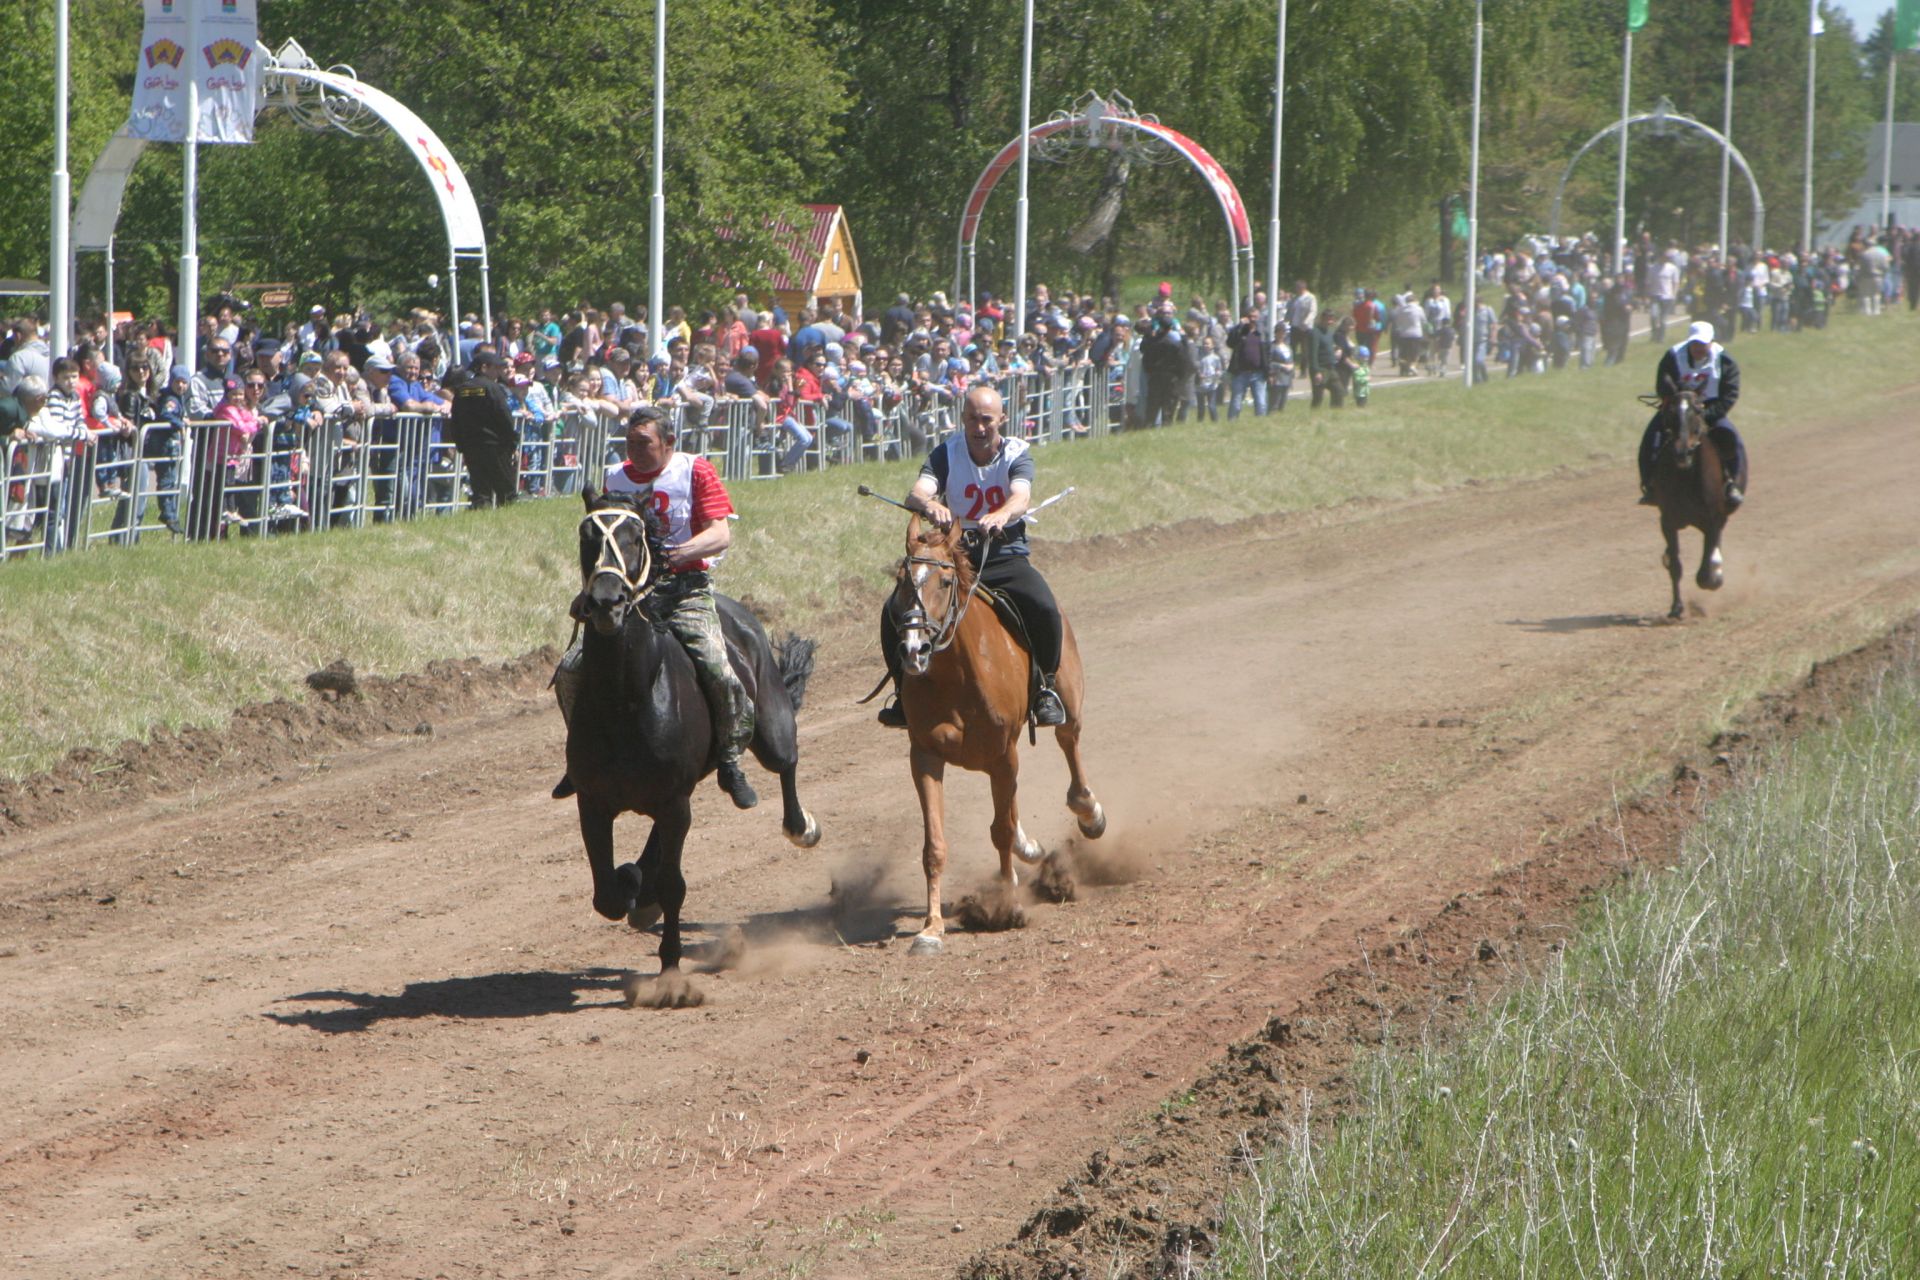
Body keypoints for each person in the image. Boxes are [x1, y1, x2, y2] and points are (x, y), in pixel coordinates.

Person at [553, 405, 759, 809]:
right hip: (628, 595)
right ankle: (580, 761)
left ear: (668, 442)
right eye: (630, 442)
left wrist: (676, 553)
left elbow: (720, 535)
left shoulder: (696, 470)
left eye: (643, 443)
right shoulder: (617, 478)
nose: (635, 450)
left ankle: (730, 759)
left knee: (719, 669)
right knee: (570, 670)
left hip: (684, 588)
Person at [876, 384, 1067, 729]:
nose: (979, 428)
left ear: (1002, 419)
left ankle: (1045, 688)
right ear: (962, 419)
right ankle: (903, 692)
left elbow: (1021, 497)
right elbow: (917, 492)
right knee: (894, 609)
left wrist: (1002, 515)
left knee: (1044, 606)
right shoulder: (946, 453)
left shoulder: (1017, 454)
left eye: (986, 420)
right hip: (953, 557)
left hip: (1003, 556)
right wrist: (930, 503)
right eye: (971, 420)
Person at [1638, 321, 1744, 509]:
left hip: (1711, 409)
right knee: (1650, 439)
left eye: (1703, 344)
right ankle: (1650, 485)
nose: (1698, 348)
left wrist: (1707, 415)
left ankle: (1732, 485)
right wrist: (1675, 404)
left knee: (1731, 438)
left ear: (1711, 342)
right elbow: (1663, 384)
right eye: (1695, 344)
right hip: (1679, 408)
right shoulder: (1672, 356)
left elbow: (1730, 394)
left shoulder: (1725, 362)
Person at [448, 349, 518, 506]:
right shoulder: (493, 388)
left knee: (480, 491)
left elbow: (456, 418)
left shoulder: (462, 389)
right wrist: (512, 440)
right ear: (484, 368)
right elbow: (504, 416)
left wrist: (461, 444)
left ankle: (481, 517)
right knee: (506, 491)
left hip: (471, 446)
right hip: (496, 446)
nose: (498, 372)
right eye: (495, 368)